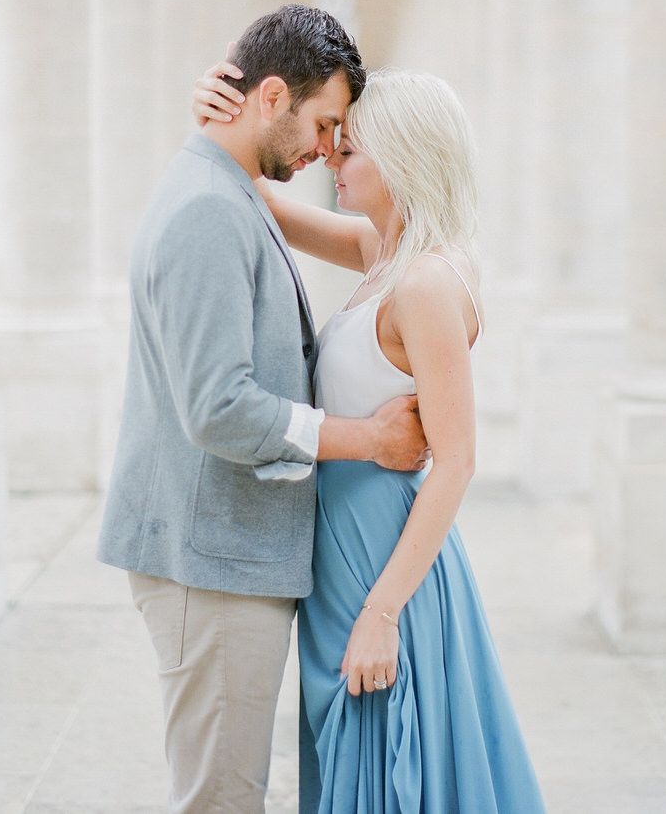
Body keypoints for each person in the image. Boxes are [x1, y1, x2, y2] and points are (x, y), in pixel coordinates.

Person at [97, 5, 430, 814]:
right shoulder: (212, 208)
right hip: (209, 562)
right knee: (222, 799)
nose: (327, 149)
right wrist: (371, 438)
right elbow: (218, 408)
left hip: (227, 554)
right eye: (324, 124)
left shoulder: (227, 190)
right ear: (272, 95)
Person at [193, 60, 546, 812]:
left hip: (383, 560)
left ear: (405, 157)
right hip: (345, 549)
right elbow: (251, 193)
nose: (330, 159)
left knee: (387, 762)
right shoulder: (381, 252)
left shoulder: (425, 283)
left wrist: (382, 613)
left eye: (349, 148)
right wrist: (221, 109)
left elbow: (456, 461)